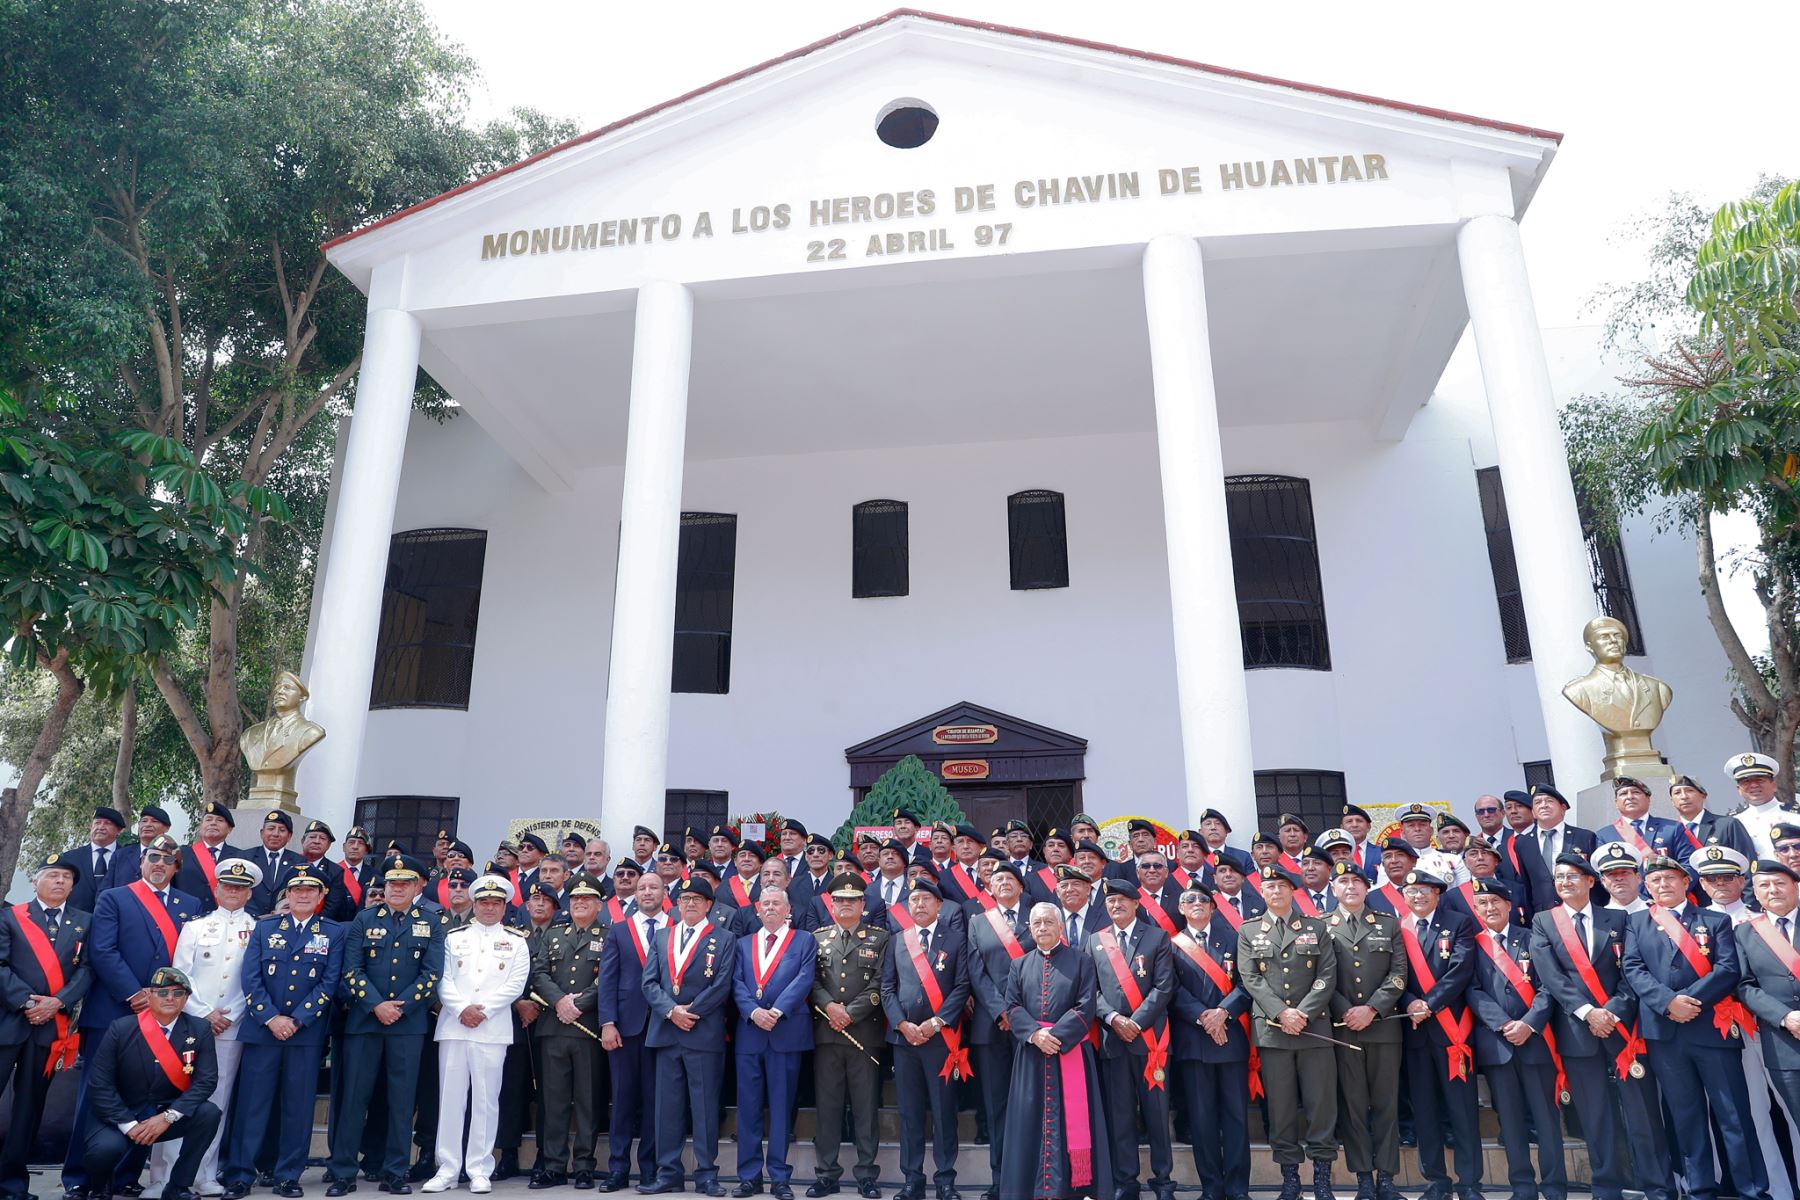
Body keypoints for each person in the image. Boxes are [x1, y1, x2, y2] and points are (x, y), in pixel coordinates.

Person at [1622, 853, 1771, 1200]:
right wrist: (1667, 1003)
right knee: (1685, 1117)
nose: (1663, 885)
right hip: (1665, 1034)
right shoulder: (1637, 923)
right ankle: (1700, 1189)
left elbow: (1728, 969)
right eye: (1655, 881)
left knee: (1734, 1115)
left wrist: (1690, 1001)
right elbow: (1633, 968)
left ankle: (1751, 1190)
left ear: (1686, 882)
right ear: (1647, 886)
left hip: (1711, 1032)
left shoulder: (1714, 920)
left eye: (1670, 878)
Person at [1527, 850, 1671, 1200]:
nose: (1564, 882)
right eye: (1559, 877)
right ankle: (1606, 1188)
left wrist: (1613, 1011)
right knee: (1595, 1116)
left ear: (1591, 881)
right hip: (1577, 1032)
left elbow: (1631, 972)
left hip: (1622, 1031)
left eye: (1572, 876)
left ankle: (1658, 1187)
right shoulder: (1544, 921)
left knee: (1642, 1114)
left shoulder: (1618, 919)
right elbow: (1551, 976)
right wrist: (1588, 1012)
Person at [64, 834, 202, 1197]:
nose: (159, 864)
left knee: (145, 1096)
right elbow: (103, 951)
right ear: (141, 863)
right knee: (97, 1095)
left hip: (163, 1016)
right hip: (115, 1011)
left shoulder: (190, 903)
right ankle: (80, 1177)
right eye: (152, 857)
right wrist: (137, 994)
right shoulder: (114, 897)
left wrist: (163, 1000)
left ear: (176, 867)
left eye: (167, 859)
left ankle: (125, 1176)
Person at [325, 854, 448, 1198]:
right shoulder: (364, 920)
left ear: (416, 887)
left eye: (404, 883)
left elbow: (432, 974)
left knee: (401, 1101)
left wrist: (401, 1007)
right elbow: (352, 971)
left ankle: (395, 1171)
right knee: (354, 1099)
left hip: (407, 1025)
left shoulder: (432, 922)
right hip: (365, 1022)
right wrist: (376, 1004)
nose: (396, 889)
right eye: (391, 884)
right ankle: (344, 1172)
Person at [222, 868, 346, 1200]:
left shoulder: (332, 933)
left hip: (305, 1034)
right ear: (287, 896)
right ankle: (240, 1175)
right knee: (252, 1105)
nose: (302, 895)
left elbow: (329, 982)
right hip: (263, 1031)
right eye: (296, 890)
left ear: (321, 897)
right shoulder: (264, 928)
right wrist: (272, 1018)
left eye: (310, 890)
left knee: (298, 1107)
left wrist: (298, 1019)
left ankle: (288, 1175)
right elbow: (250, 978)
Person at [154, 858, 261, 1199]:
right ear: (216, 889)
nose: (233, 892)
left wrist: (232, 1015)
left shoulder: (257, 929)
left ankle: (205, 1174)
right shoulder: (195, 927)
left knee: (218, 1100)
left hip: (232, 1025)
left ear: (249, 894)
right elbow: (179, 974)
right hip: (192, 1023)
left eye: (240, 888)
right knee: (178, 1095)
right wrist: (203, 1013)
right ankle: (163, 1177)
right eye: (227, 886)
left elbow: (254, 981)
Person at [424, 875, 532, 1195]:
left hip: (492, 1028)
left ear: (504, 907)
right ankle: (447, 1167)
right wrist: (461, 1010)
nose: (489, 908)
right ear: (474, 904)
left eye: (496, 903)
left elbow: (515, 985)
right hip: (455, 1027)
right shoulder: (453, 937)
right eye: (483, 902)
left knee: (486, 1101)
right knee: (451, 1099)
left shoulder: (516, 941)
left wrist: (482, 1011)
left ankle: (480, 1168)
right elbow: (442, 979)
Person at [78, 967, 222, 1200]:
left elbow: (206, 1082)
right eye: (162, 993)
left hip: (164, 1115)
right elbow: (100, 1084)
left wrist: (168, 1117)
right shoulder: (121, 1028)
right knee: (104, 1151)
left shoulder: (199, 1029)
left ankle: (178, 1187)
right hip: (122, 1115)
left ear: (186, 999)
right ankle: (101, 1186)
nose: (170, 999)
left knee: (209, 1113)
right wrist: (129, 1125)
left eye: (177, 994)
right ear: (149, 995)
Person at [997, 902, 1110, 1200]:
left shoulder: (1082, 961)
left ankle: (1072, 1190)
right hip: (1031, 1054)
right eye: (1037, 923)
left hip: (1069, 1051)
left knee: (1070, 1123)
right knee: (1029, 1122)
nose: (1043, 928)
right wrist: (1035, 1034)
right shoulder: (1019, 965)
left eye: (1049, 922)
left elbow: (1086, 1007)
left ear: (1060, 927)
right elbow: (1013, 1006)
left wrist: (1054, 1036)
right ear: (1031, 929)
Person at [1238, 865, 1338, 1200]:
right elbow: (1250, 978)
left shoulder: (1315, 927)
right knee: (1281, 1110)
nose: (1277, 892)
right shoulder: (1249, 930)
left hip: (1314, 1030)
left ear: (1293, 890)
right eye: (1270, 887)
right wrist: (1282, 1013)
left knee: (1320, 1105)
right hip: (1273, 1033)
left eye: (1282, 886)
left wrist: (1303, 1013)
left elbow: (1326, 974)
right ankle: (1290, 1178)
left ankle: (1322, 1178)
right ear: (1262, 893)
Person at [1465, 878, 1565, 1200]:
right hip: (1498, 1047)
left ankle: (1554, 1189)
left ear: (1509, 905)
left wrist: (1528, 1024)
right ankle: (1523, 1188)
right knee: (1510, 1124)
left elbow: (1548, 987)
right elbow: (1472, 991)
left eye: (1496, 902)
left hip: (1535, 1043)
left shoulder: (1531, 938)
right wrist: (1505, 1024)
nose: (1490, 908)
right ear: (1476, 909)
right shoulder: (1473, 944)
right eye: (1483, 904)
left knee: (1547, 1122)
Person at [1, 852, 92, 1200]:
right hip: (8, 1022)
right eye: (52, 875)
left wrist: (58, 1002)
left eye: (66, 878)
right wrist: (27, 1001)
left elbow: (87, 969)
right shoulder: (11, 917)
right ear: (37, 880)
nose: (59, 881)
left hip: (49, 1028)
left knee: (29, 1108)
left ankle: (11, 1185)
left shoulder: (85, 921)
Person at [640, 876, 737, 1197]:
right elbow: (649, 983)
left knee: (705, 1108)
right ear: (676, 903)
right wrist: (672, 1012)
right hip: (668, 1033)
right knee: (667, 1108)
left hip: (702, 1032)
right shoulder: (663, 935)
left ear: (710, 904)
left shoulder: (723, 938)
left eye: (698, 899)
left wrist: (690, 1013)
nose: (690, 903)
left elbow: (722, 985)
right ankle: (668, 1172)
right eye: (685, 899)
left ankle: (707, 1174)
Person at [881, 880, 969, 1200]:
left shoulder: (957, 939)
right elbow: (887, 989)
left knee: (944, 1112)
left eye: (925, 899)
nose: (919, 904)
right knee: (909, 1112)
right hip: (904, 1041)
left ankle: (945, 1179)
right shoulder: (896, 941)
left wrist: (935, 1022)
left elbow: (962, 987)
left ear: (939, 904)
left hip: (940, 1040)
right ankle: (912, 1179)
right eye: (914, 899)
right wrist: (902, 1024)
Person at [1088, 879, 1175, 1200]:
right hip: (1113, 1041)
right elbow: (1090, 991)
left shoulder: (1157, 937)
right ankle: (1126, 1182)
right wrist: (1113, 1018)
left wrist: (1134, 1023)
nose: (1116, 905)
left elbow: (1164, 988)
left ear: (1137, 903)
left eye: (1123, 900)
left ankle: (1163, 1181)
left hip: (1151, 1042)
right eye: (1111, 901)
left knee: (1156, 1115)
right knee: (1121, 1115)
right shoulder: (1096, 941)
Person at [1397, 869, 1481, 1200]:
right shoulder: (1398, 928)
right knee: (1425, 1111)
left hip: (1452, 1033)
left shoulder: (1458, 922)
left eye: (1423, 890)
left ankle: (1470, 1183)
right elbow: (1394, 975)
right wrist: (1409, 1003)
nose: (1417, 896)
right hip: (1415, 1035)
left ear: (1437, 893)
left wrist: (1427, 1004)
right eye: (1411, 891)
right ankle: (1436, 1182)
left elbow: (1460, 971)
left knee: (1462, 1112)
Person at [1323, 863, 1405, 1200]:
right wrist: (1347, 1010)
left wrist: (1371, 1009)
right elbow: (1320, 977)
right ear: (1333, 889)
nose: (1351, 887)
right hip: (1344, 1030)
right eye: (1344, 881)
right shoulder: (1320, 927)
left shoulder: (1388, 924)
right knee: (1353, 1106)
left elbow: (1398, 974)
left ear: (1367, 888)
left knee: (1386, 1104)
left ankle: (1386, 1177)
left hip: (1383, 1027)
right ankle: (1364, 1180)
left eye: (1357, 881)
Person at [731, 888, 817, 1199]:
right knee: (749, 1110)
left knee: (781, 1109)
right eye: (765, 903)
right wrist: (754, 1012)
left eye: (776, 903)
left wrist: (777, 1011)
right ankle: (749, 1177)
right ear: (756, 909)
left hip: (786, 1032)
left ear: (787, 908)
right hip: (751, 1034)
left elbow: (805, 979)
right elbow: (736, 982)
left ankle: (780, 1177)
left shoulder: (804, 940)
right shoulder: (742, 944)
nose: (770, 908)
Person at [1168, 885, 1252, 1200]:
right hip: (1193, 1040)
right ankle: (1212, 1189)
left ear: (1214, 908)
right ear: (1181, 908)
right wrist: (1205, 1017)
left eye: (1203, 899)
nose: (1197, 904)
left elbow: (1246, 984)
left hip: (1230, 1038)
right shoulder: (1172, 945)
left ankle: (1238, 1188)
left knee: (1236, 1118)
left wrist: (1222, 1014)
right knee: (1202, 1120)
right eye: (1190, 900)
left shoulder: (1233, 939)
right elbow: (1172, 990)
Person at [808, 876, 887, 1200]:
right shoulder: (818, 937)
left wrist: (849, 1013)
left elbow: (881, 984)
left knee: (865, 1108)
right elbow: (810, 981)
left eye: (852, 900)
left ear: (862, 905)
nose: (845, 905)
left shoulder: (881, 938)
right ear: (831, 904)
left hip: (863, 1035)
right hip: (827, 1035)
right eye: (839, 900)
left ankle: (867, 1175)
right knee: (827, 1108)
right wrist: (829, 1006)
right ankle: (826, 1174)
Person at [529, 878, 608, 1189]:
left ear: (599, 904)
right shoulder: (554, 934)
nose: (580, 904)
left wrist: (580, 1004)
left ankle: (585, 1166)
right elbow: (539, 973)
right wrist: (560, 1001)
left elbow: (609, 977)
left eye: (587, 899)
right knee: (554, 1101)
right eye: (575, 899)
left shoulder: (610, 935)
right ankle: (553, 1165)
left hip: (587, 1028)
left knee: (588, 1100)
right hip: (553, 1027)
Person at [598, 873, 669, 1192]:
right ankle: (618, 1168)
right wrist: (607, 1022)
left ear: (665, 892)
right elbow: (608, 981)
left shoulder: (677, 927)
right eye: (642, 888)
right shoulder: (620, 929)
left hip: (665, 1026)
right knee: (623, 1099)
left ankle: (651, 1168)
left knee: (657, 1102)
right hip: (625, 1027)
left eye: (654, 887)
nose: (647, 892)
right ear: (634, 894)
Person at [962, 866, 1028, 1200]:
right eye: (997, 879)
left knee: (1033, 1103)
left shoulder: (1038, 917)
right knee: (996, 1105)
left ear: (1020, 885)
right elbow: (975, 971)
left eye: (1009, 879)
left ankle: (1033, 1176)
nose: (1003, 882)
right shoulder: (978, 922)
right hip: (991, 1025)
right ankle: (1000, 1179)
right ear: (989, 886)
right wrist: (1001, 1010)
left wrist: (1015, 1013)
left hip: (1031, 1026)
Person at [1738, 860, 1800, 1145]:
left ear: (1795, 887)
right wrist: (1786, 1017)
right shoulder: (1744, 933)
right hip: (1783, 1046)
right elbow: (1744, 986)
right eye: (1764, 885)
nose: (1773, 890)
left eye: (1780, 883)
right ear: (1757, 893)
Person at [172, 803, 244, 916]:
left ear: (229, 829)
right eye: (208, 819)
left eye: (219, 820)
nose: (213, 823)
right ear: (200, 828)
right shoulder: (181, 853)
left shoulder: (240, 856)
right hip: (186, 917)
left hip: (225, 919)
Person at [1666, 774, 1756, 862]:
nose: (1684, 797)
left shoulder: (1727, 824)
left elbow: (1746, 860)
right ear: (1672, 801)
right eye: (1677, 793)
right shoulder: (1670, 831)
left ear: (1703, 796)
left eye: (1689, 791)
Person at [1727, 752, 1800, 857]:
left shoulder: (1795, 815)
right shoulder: (1733, 821)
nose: (1753, 785)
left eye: (1759, 780)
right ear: (1739, 789)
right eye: (1746, 781)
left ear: (1774, 785)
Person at [63, 806, 127, 914]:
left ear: (119, 830)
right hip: (77, 923)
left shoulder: (128, 857)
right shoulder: (70, 858)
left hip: (119, 921)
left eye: (107, 823)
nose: (101, 827)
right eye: (97, 823)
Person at [246, 812, 304, 918]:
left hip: (284, 920)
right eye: (271, 828)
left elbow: (299, 893)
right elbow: (240, 889)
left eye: (282, 830)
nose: (275, 834)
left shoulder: (299, 862)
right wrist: (256, 916)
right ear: (262, 832)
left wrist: (278, 914)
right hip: (249, 919)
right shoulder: (245, 857)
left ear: (289, 836)